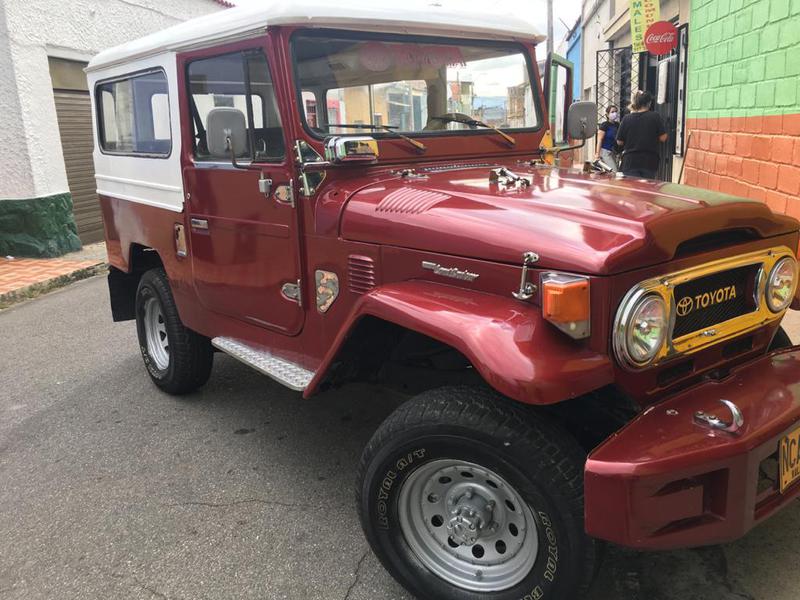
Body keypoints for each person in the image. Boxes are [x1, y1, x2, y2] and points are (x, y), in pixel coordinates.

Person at [615, 91, 668, 179]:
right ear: (649, 103)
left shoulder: (627, 118)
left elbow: (619, 142)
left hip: (630, 161)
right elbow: (663, 138)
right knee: (646, 189)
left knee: (633, 189)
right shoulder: (655, 116)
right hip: (649, 161)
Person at [595, 105, 620, 172]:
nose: (614, 113)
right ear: (607, 114)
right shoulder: (604, 125)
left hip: (614, 152)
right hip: (605, 152)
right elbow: (599, 139)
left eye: (616, 112)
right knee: (614, 171)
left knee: (610, 172)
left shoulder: (617, 125)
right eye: (612, 112)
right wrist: (597, 154)